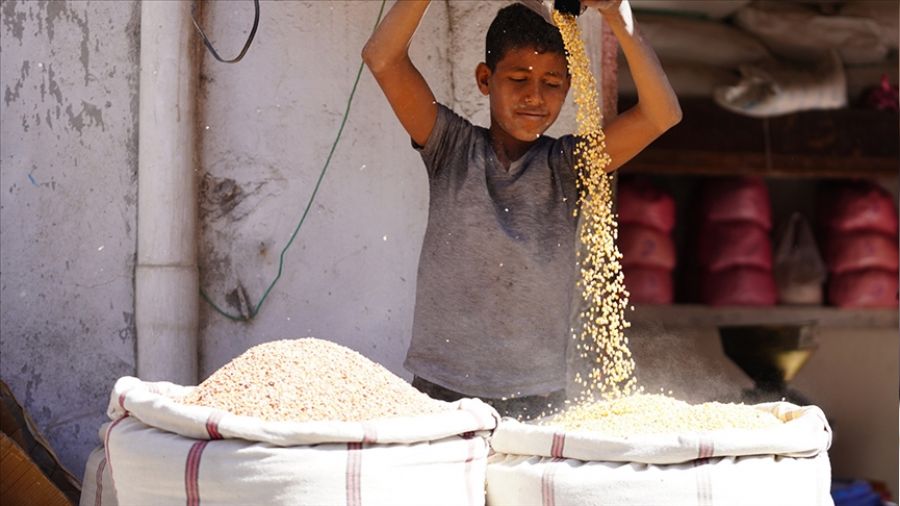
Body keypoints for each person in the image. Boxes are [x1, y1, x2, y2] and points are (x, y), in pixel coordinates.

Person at [362, 0, 680, 418]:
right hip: (440, 389)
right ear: (484, 79)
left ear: (570, 87)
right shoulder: (452, 149)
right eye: (518, 77)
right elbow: (382, 58)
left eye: (552, 83)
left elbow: (662, 114)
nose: (535, 96)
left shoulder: (568, 168)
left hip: (537, 396)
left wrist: (618, 18)